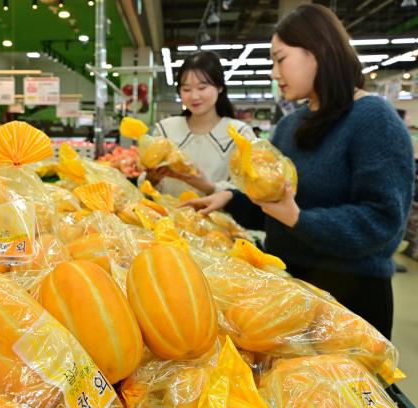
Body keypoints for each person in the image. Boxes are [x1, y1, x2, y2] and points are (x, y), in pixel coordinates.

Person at [183, 4, 415, 339]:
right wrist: (229, 199)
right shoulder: (290, 125)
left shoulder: (374, 119)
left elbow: (382, 221)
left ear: (317, 52)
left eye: (280, 59)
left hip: (351, 300)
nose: (274, 73)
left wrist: (299, 219)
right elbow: (277, 205)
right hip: (288, 288)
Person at [144, 51, 255, 197]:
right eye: (186, 89)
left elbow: (251, 190)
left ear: (220, 87)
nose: (194, 96)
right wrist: (151, 180)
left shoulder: (239, 134)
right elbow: (146, 188)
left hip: (220, 219)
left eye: (202, 88)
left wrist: (208, 187)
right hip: (168, 218)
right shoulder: (165, 130)